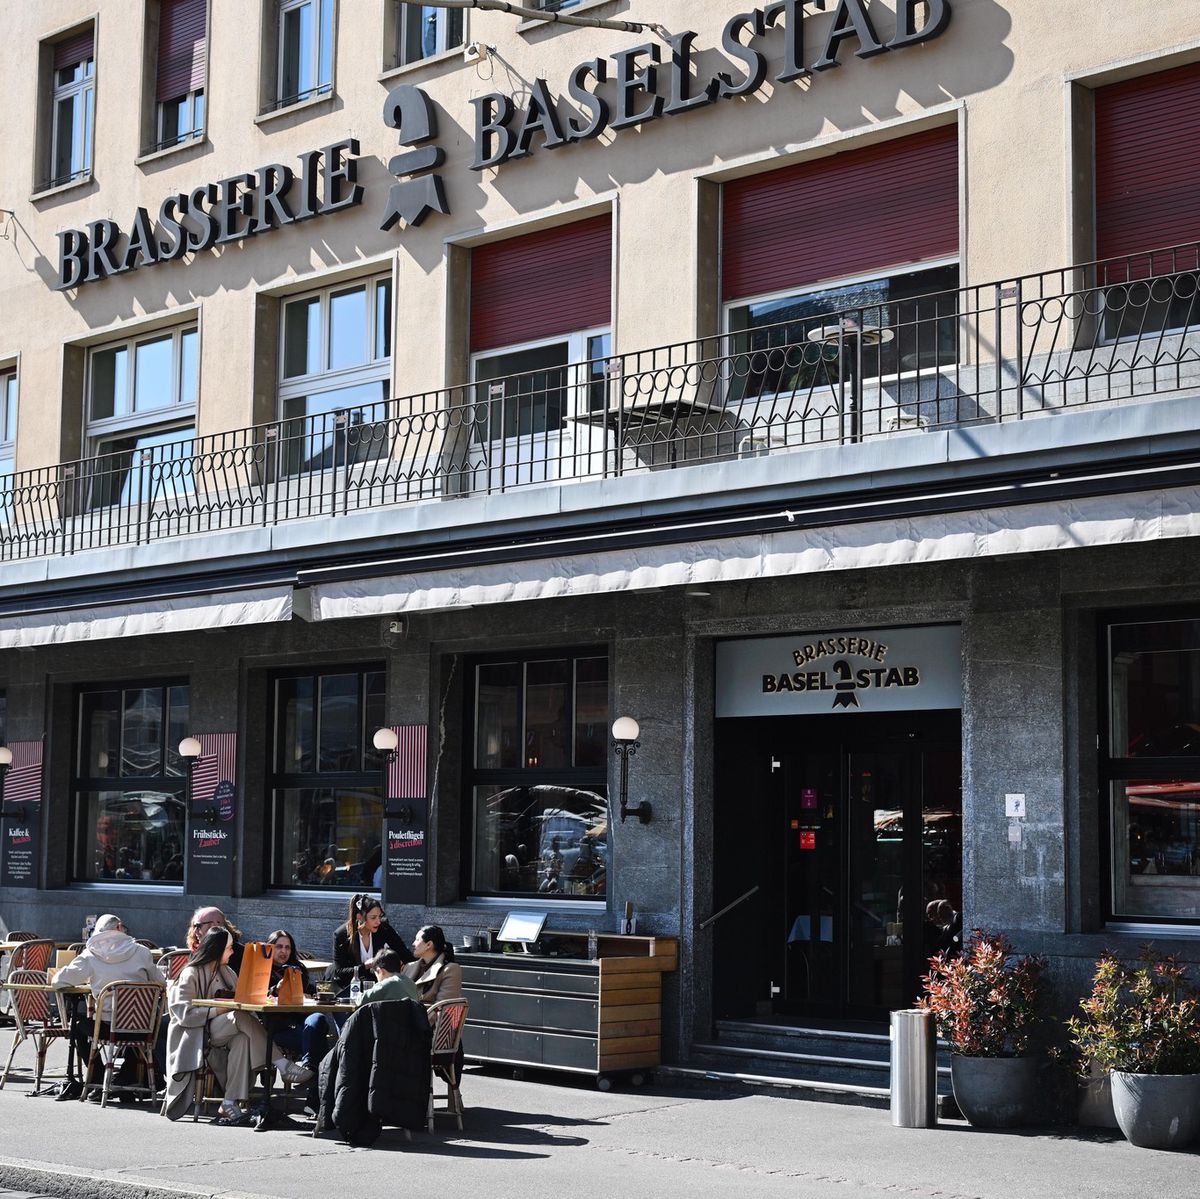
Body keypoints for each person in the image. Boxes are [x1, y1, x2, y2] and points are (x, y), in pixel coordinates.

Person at [162, 927, 269, 1125]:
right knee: (238, 1015)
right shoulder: (190, 973)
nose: (232, 952)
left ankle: (229, 1102)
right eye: (229, 948)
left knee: (243, 1039)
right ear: (217, 949)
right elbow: (183, 1014)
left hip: (226, 1031)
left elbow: (242, 999)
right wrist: (217, 1010)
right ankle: (279, 1062)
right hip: (198, 1033)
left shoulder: (227, 972)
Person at [52, 914, 162, 1102]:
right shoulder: (142, 952)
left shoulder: (91, 954)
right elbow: (160, 982)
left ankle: (99, 1076)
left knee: (79, 1026)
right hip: (142, 1027)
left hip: (107, 1026)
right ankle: (126, 1077)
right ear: (119, 927)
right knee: (136, 1021)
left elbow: (58, 981)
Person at [263, 929, 321, 1088]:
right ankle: (313, 1082)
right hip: (277, 1027)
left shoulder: (297, 968)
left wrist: (312, 996)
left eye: (287, 948)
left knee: (319, 1020)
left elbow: (310, 992)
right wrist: (276, 990)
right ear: (271, 948)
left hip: (301, 1021)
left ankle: (308, 1070)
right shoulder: (262, 970)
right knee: (318, 1043)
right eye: (279, 947)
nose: (283, 951)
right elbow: (260, 996)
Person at [327, 894, 413, 990]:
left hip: (373, 984)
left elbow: (405, 954)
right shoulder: (342, 934)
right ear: (359, 917)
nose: (378, 922)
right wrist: (365, 966)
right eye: (373, 918)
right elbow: (340, 972)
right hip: (345, 986)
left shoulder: (384, 929)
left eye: (379, 917)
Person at [402, 925, 463, 1006]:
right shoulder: (408, 967)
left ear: (428, 945)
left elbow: (442, 1009)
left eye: (417, 940)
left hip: (427, 1018)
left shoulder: (450, 969)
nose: (413, 943)